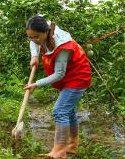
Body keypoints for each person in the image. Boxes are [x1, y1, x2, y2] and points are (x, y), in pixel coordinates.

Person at [24, 15, 91, 158]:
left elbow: (59, 74)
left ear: (46, 31)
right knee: (69, 111)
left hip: (78, 77)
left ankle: (59, 150)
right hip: (68, 76)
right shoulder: (42, 31)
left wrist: (37, 83)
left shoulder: (62, 45)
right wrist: (34, 56)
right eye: (31, 37)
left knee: (60, 111)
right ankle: (72, 145)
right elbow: (33, 42)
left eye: (37, 37)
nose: (34, 40)